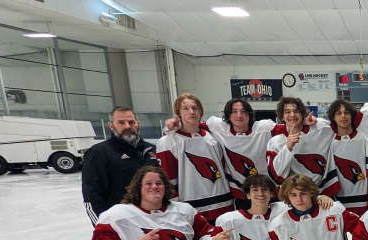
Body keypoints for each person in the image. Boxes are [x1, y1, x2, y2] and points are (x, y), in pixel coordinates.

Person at [157, 93, 233, 224]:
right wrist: (173, 210)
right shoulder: (167, 142)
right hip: (190, 208)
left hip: (223, 204)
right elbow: (169, 180)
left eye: (195, 108)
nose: (191, 112)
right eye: (185, 108)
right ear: (178, 113)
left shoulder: (213, 136)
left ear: (201, 112)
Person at [82, 106, 158, 225]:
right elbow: (91, 196)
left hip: (153, 220)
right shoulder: (99, 152)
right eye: (121, 122)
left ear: (137, 124)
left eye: (131, 122)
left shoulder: (152, 150)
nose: (127, 126)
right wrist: (104, 227)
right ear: (111, 126)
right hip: (122, 223)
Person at [204, 98, 277, 209]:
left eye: (243, 111)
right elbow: (192, 126)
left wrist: (308, 122)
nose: (239, 115)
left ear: (249, 114)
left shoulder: (264, 128)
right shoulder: (218, 127)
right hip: (240, 192)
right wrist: (174, 124)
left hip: (266, 189)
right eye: (234, 111)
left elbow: (290, 128)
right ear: (228, 115)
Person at [267, 96, 338, 196]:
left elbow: (341, 126)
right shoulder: (276, 142)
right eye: (287, 112)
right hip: (295, 196)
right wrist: (288, 147)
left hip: (322, 193)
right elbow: (277, 176)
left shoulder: (320, 128)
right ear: (282, 116)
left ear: (302, 114)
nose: (292, 115)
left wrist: (314, 120)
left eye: (296, 111)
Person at [327, 99, 368, 216]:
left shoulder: (364, 137)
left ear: (352, 115)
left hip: (364, 200)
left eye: (346, 112)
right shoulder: (329, 141)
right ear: (333, 117)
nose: (343, 116)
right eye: (338, 113)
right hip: (339, 200)